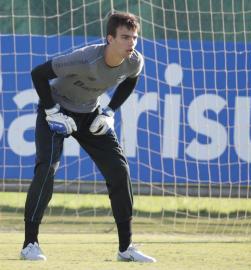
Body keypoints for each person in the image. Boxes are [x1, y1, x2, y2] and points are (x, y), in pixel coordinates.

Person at [19, 11, 156, 263]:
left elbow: (130, 81)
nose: (131, 43)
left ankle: (126, 248)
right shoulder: (84, 58)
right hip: (56, 110)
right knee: (46, 168)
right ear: (109, 39)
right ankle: (30, 244)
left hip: (90, 115)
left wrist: (110, 111)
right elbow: (38, 73)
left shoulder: (134, 61)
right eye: (125, 37)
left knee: (119, 169)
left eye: (134, 37)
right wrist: (51, 111)